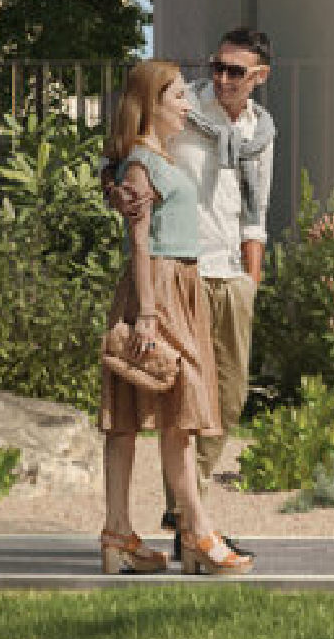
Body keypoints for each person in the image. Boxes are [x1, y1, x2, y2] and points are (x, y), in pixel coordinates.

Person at [91, 61, 246, 575]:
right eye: (177, 96)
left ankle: (119, 533)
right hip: (158, 290)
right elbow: (140, 243)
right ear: (150, 104)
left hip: (178, 287)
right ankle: (197, 533)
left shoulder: (151, 158)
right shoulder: (142, 163)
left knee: (148, 418)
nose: (187, 104)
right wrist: (147, 314)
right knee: (174, 416)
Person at [187, 27, 278, 490]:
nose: (222, 79)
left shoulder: (259, 134)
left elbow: (256, 213)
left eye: (235, 72)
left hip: (232, 276)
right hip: (185, 270)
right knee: (184, 391)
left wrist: (251, 281)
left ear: (260, 76)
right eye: (217, 67)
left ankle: (191, 492)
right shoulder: (182, 109)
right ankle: (187, 506)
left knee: (229, 394)